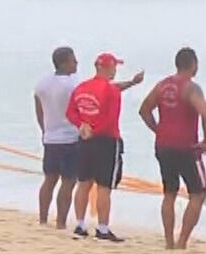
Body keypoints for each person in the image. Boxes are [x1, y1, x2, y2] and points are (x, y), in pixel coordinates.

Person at [139, 47, 206, 250]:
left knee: (169, 193)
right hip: (186, 147)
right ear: (194, 65)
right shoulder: (191, 88)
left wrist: (158, 130)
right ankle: (182, 241)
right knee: (198, 194)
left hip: (163, 146)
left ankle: (168, 242)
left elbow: (144, 110)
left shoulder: (162, 85)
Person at [68, 52, 145, 241]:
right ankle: (102, 228)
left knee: (83, 183)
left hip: (85, 140)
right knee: (104, 186)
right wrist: (94, 130)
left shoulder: (82, 87)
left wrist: (81, 126)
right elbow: (111, 118)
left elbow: (70, 111)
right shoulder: (110, 92)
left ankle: (80, 224)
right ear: (106, 67)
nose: (115, 71)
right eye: (114, 67)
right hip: (106, 141)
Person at [33, 46, 81, 229]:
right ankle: (61, 222)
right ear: (64, 63)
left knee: (49, 179)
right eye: (73, 60)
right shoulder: (72, 85)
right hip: (69, 137)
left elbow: (38, 107)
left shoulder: (43, 83)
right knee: (68, 181)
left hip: (51, 138)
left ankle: (43, 219)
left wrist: (44, 129)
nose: (76, 63)